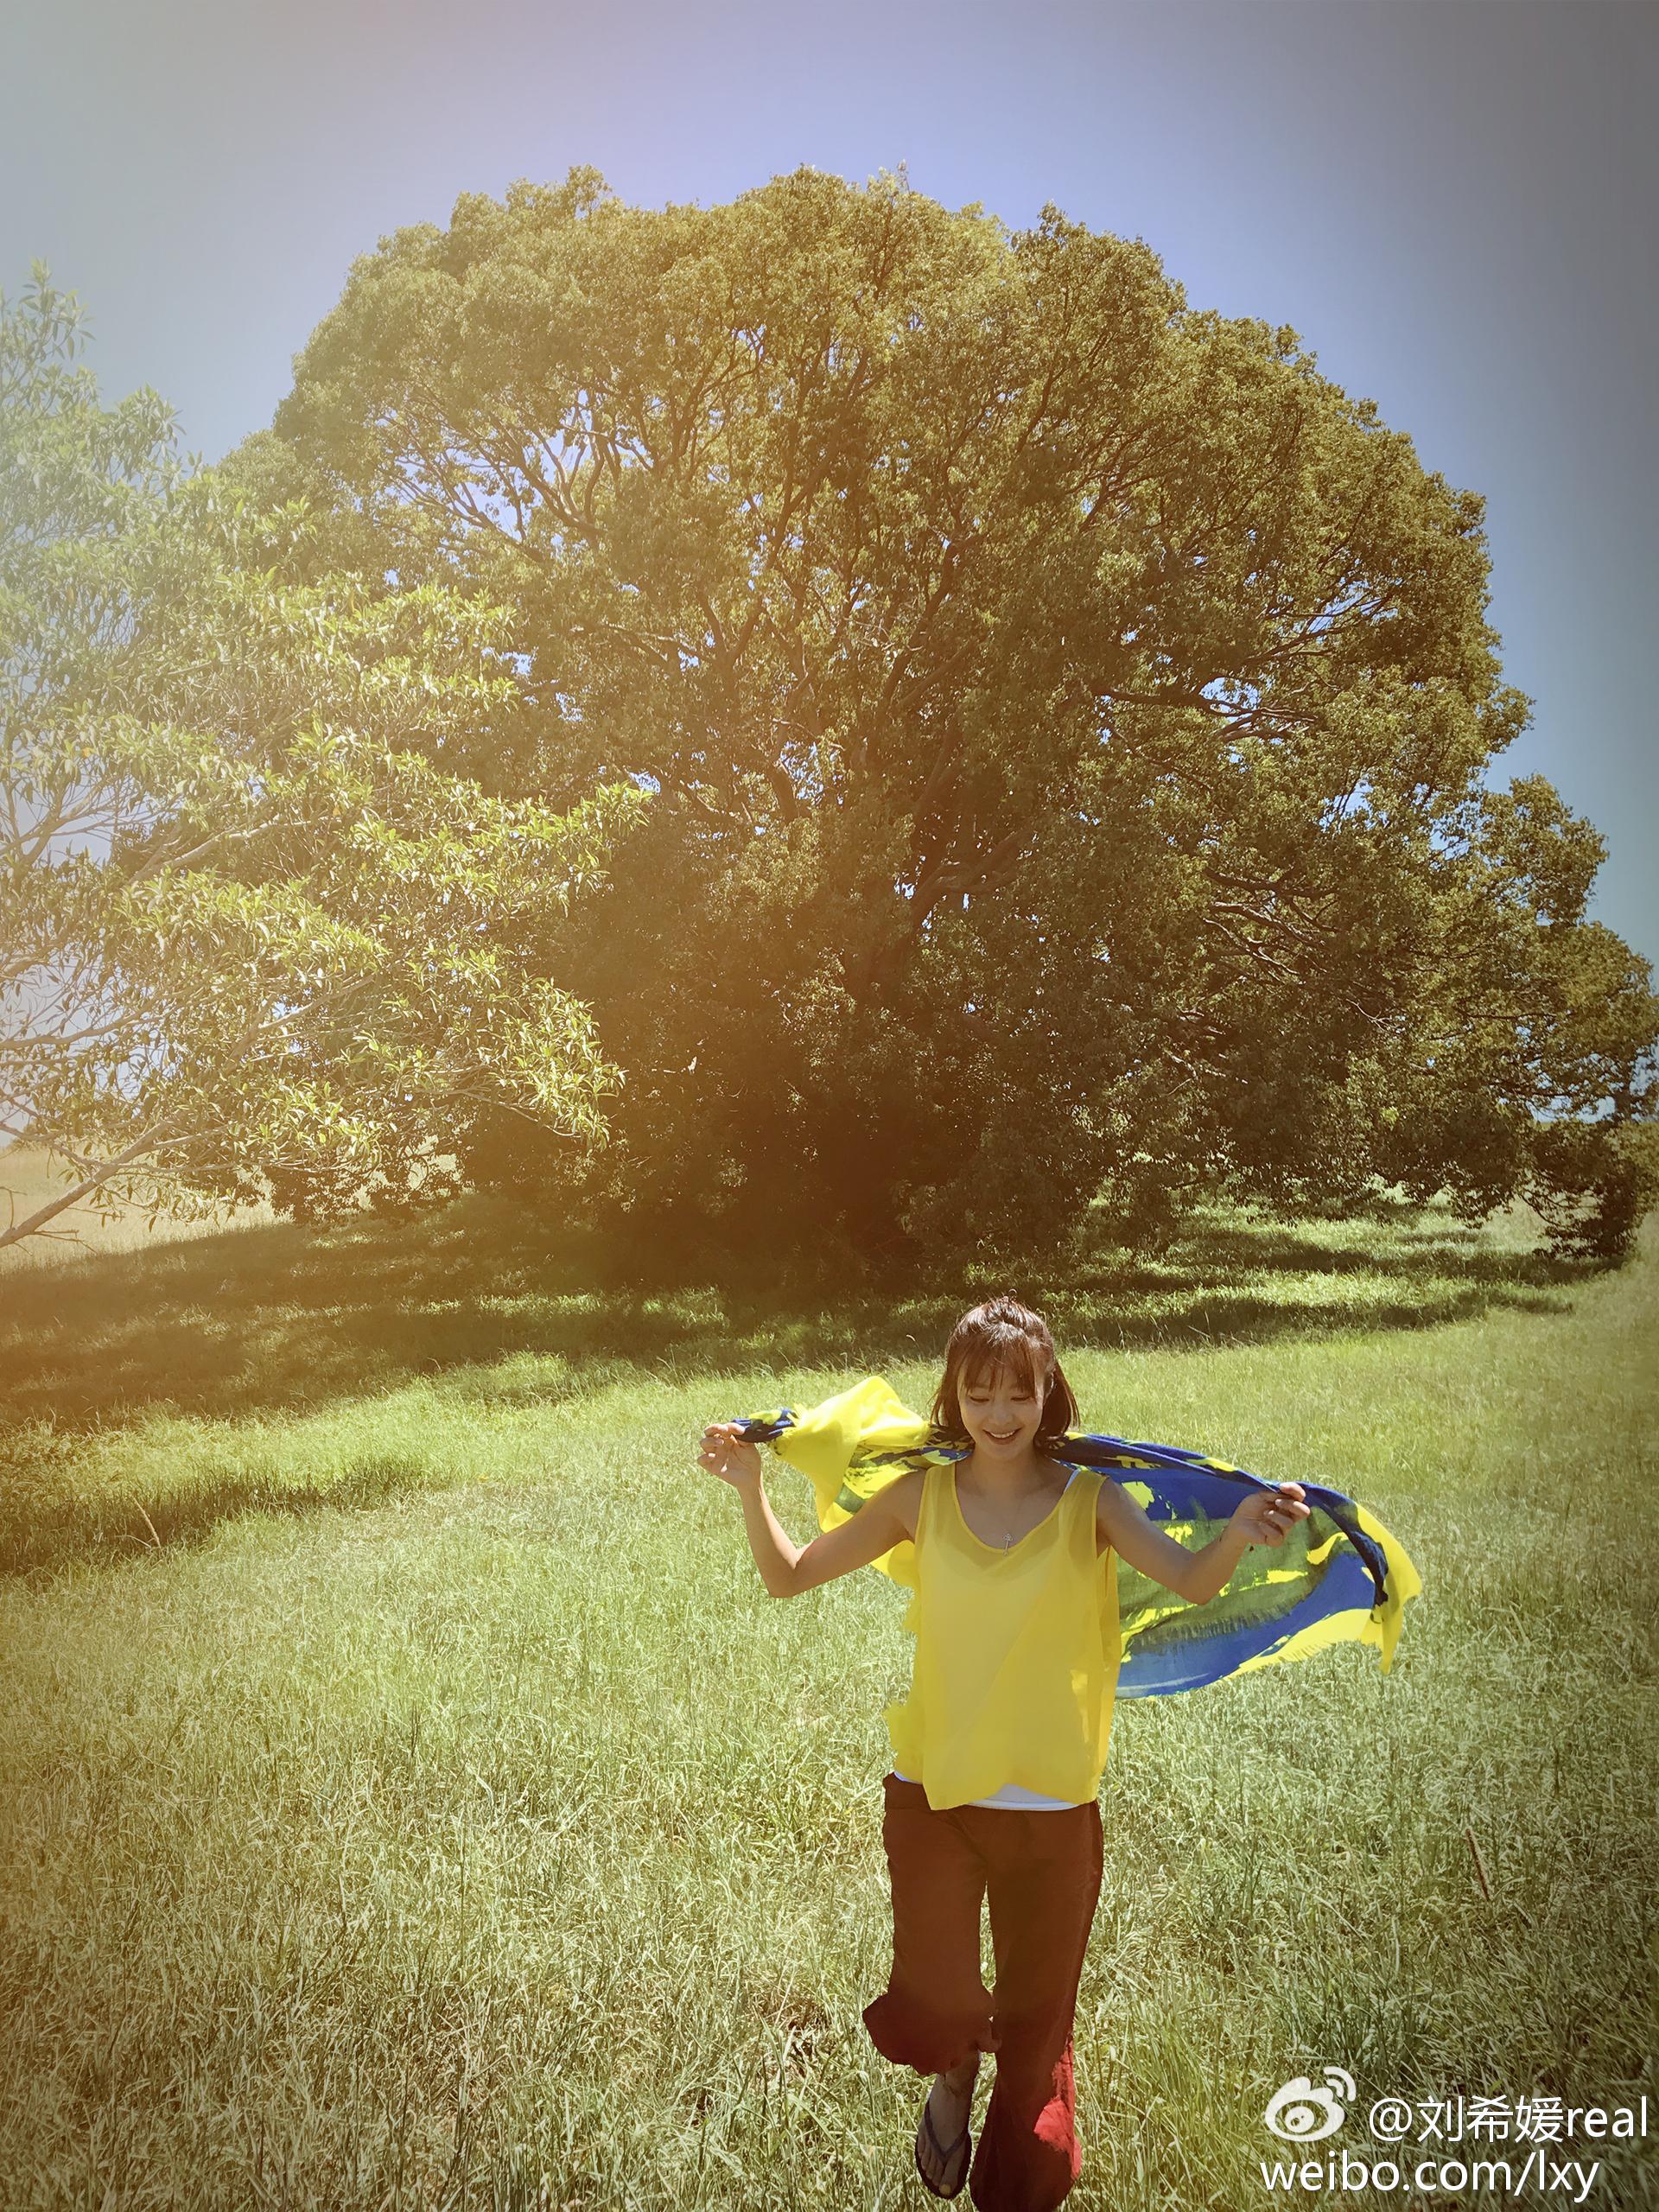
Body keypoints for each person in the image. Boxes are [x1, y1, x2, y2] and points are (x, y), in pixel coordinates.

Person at [698, 1293, 1313, 2211]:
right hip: (935, 1796)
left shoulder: (1091, 1501)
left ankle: (1014, 2188)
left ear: (1047, 1392)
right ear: (953, 1395)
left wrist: (1236, 1533)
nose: (998, 1413)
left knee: (1036, 2038)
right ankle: (954, 2065)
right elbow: (790, 1577)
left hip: (1052, 1806)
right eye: (979, 1393)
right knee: (936, 2001)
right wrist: (751, 1488)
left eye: (1018, 1392)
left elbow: (1188, 1581)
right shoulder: (921, 1497)